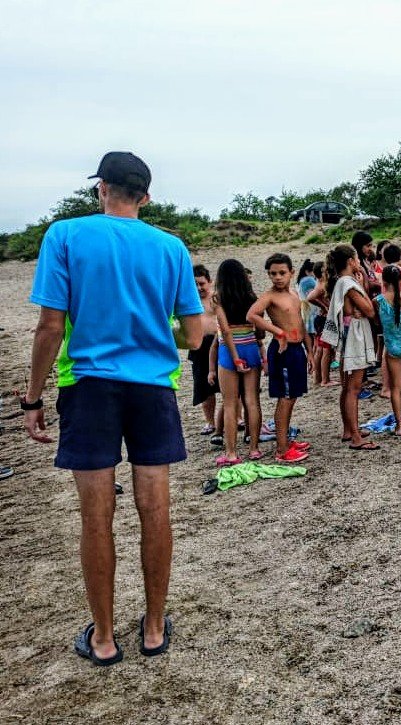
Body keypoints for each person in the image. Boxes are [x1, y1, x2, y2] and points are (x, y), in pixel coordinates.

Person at [25, 151, 203, 665]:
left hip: (88, 387)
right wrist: (149, 332)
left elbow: (50, 327)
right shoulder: (171, 247)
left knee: (96, 517)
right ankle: (152, 627)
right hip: (152, 389)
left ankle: (103, 637)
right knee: (155, 511)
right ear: (145, 196)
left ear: (101, 188)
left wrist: (33, 397)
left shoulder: (65, 236)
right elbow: (193, 335)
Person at [247, 253, 312, 463]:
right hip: (282, 351)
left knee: (292, 397)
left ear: (291, 273)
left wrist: (309, 351)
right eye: (273, 273)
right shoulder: (270, 296)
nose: (277, 277)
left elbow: (300, 323)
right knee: (284, 399)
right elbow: (252, 315)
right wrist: (278, 331)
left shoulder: (293, 293)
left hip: (297, 350)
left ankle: (285, 441)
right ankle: (282, 449)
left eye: (282, 273)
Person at [322, 245, 378, 447]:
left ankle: (349, 429)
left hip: (347, 336)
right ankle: (355, 437)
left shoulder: (340, 282)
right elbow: (370, 311)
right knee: (354, 388)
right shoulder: (349, 283)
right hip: (354, 337)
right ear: (351, 261)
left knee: (347, 388)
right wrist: (362, 283)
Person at [211, 260, 265, 466]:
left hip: (228, 351)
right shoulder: (251, 297)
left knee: (230, 403)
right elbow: (259, 330)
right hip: (250, 347)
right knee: (252, 400)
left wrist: (234, 357)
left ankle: (232, 453)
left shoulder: (218, 298)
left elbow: (225, 330)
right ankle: (254, 449)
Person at [375, 265, 401, 437]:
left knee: (396, 387)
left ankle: (399, 425)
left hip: (392, 345)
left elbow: (378, 323)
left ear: (383, 282)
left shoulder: (378, 301)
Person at [189, 265, 222, 435]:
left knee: (228, 385)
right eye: (194, 284)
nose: (199, 288)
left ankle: (237, 417)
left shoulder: (216, 299)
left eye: (202, 283)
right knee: (204, 387)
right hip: (199, 347)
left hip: (218, 343)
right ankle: (210, 422)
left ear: (210, 282)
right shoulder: (188, 301)